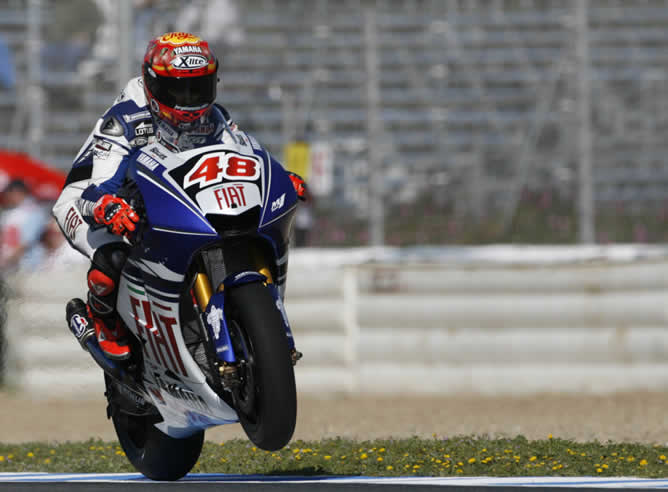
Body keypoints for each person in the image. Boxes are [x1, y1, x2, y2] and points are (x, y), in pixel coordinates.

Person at [52, 32, 305, 361]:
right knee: (113, 253)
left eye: (198, 88)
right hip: (90, 196)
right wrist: (107, 207)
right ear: (153, 84)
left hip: (157, 189)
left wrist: (281, 179)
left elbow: (242, 157)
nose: (189, 102)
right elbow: (95, 189)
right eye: (177, 90)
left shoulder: (216, 117)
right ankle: (103, 319)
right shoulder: (125, 120)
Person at [0, 180, 49, 272]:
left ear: (16, 192)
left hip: (28, 266)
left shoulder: (33, 212)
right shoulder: (11, 212)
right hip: (11, 266)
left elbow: (26, 242)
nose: (6, 197)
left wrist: (6, 261)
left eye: (7, 193)